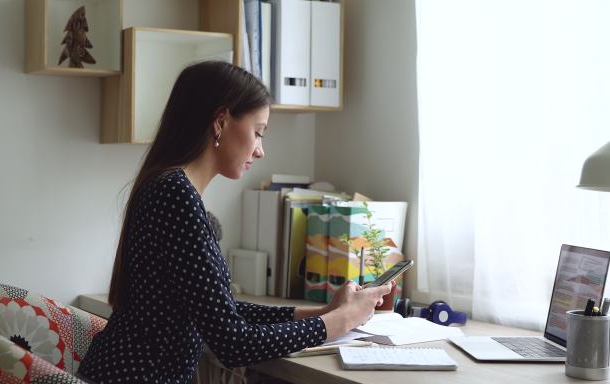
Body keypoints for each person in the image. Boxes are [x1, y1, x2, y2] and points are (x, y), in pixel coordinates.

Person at [77, 61, 393, 383]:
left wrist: (324, 313)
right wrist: (340, 321)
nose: (260, 151)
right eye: (258, 132)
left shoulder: (172, 189)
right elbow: (235, 343)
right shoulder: (175, 194)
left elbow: (223, 313)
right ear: (220, 121)